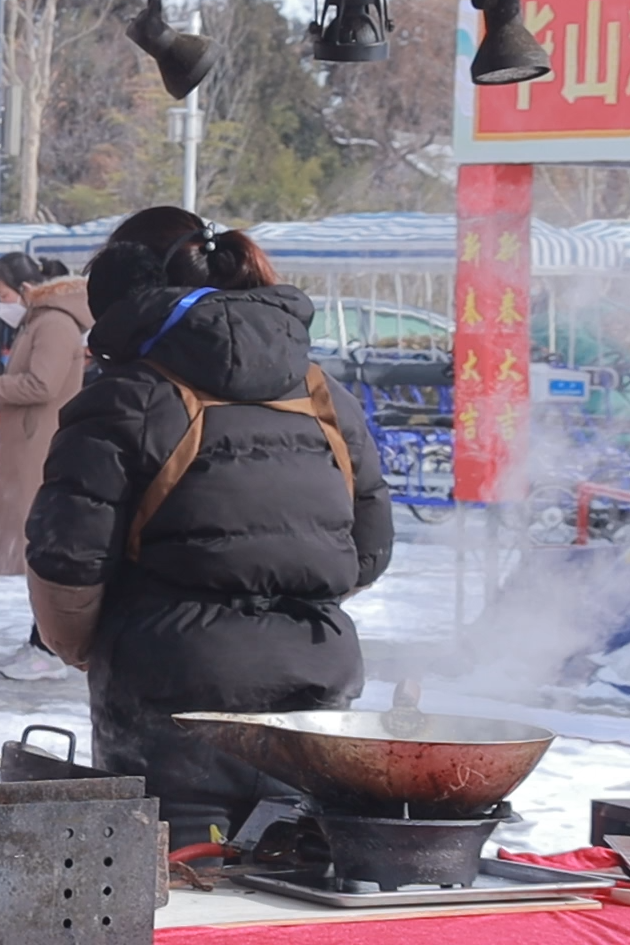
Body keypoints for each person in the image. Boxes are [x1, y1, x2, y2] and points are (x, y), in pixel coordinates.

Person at [24, 209, 393, 842]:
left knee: (175, 889)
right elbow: (370, 548)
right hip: (314, 692)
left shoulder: (127, 395)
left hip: (170, 695)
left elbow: (67, 560)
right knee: (287, 891)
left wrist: (92, 647)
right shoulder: (322, 391)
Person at [0, 255, 87, 682]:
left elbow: (41, 385)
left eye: (4, 295)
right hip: (31, 446)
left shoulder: (52, 323)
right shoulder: (40, 320)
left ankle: (46, 647)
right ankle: (38, 642)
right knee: (35, 547)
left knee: (42, 547)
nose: (3, 305)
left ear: (27, 288)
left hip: (41, 449)